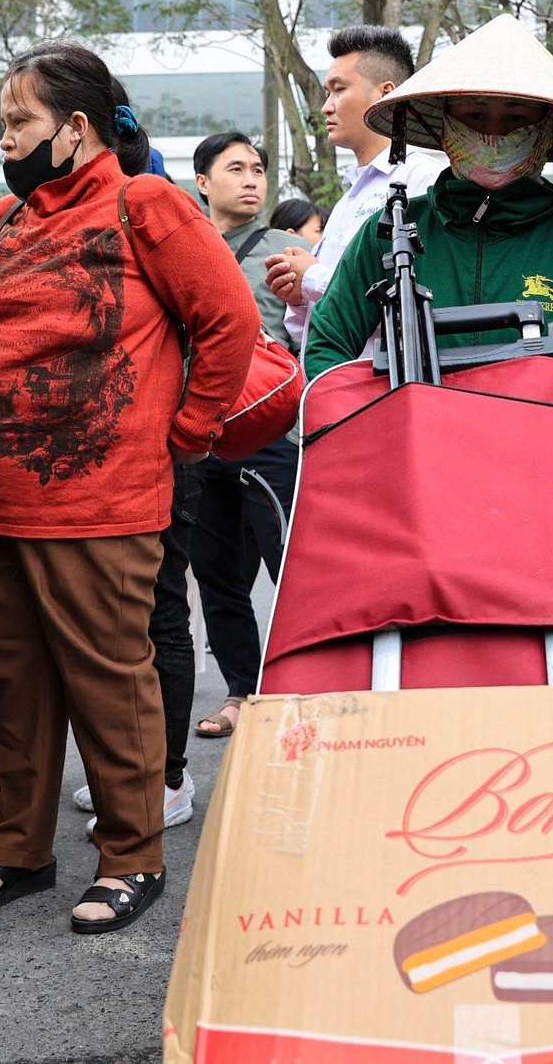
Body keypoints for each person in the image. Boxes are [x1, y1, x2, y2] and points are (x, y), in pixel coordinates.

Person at [0, 42, 258, 934]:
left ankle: (131, 856)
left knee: (111, 680)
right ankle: (16, 850)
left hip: (102, 498)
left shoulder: (144, 202)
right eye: (2, 124)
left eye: (20, 123)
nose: (6, 140)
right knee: (14, 681)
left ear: (75, 129)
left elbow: (231, 321)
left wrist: (184, 433)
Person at [302, 13, 553, 380]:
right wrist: (377, 424)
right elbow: (327, 346)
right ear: (446, 125)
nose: (494, 135)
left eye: (516, 117)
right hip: (418, 434)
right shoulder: (390, 232)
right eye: (476, 115)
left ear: (545, 130)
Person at [187, 132, 308, 736]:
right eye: (235, 169)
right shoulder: (179, 247)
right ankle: (242, 691)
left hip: (272, 434)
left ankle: (301, 688)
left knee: (290, 564)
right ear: (203, 183)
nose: (251, 179)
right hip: (200, 436)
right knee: (216, 572)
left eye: (258, 169)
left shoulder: (290, 247)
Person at [264, 27, 442, 336]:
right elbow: (310, 329)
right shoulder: (349, 198)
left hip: (389, 381)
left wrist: (313, 278)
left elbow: (423, 297)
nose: (326, 106)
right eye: (327, 92)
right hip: (335, 379)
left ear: (386, 94)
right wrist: (298, 296)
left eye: (339, 89)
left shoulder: (422, 179)